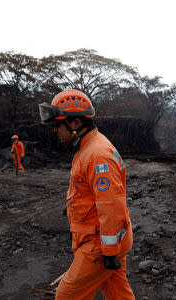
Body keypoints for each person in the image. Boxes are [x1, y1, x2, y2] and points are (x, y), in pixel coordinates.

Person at [38, 90, 134, 300]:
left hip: (100, 245)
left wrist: (108, 251)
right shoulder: (88, 147)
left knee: (66, 296)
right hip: (109, 239)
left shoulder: (97, 155)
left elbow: (111, 204)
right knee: (118, 294)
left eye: (57, 125)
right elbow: (89, 190)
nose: (55, 131)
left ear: (74, 124)